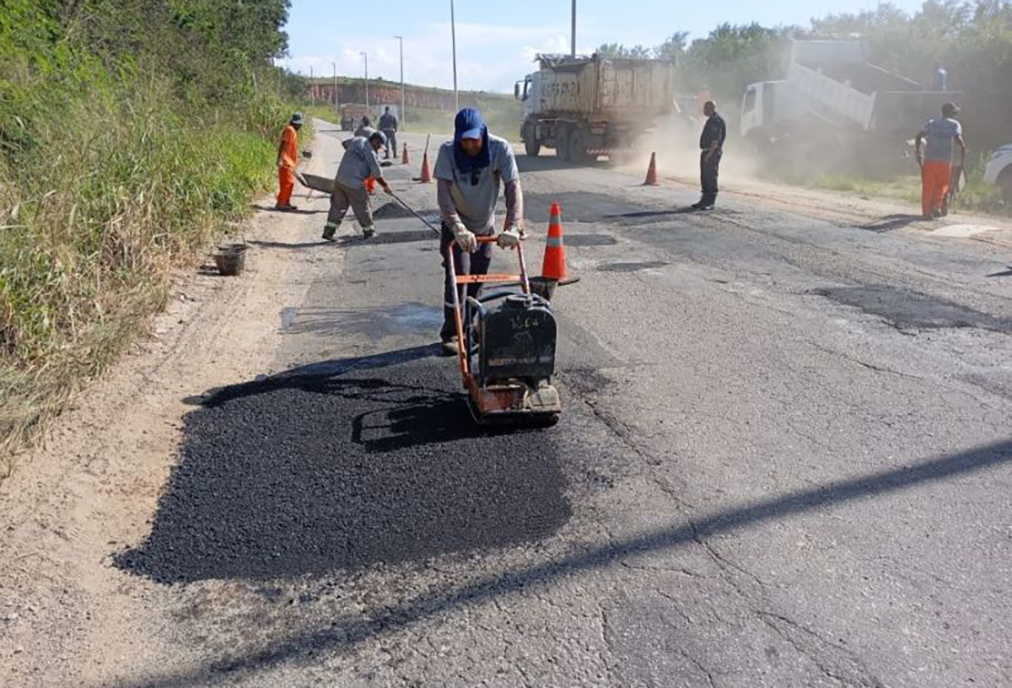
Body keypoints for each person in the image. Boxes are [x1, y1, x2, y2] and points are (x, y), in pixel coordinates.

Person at [435, 108, 524, 354]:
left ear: (482, 133)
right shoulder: (447, 151)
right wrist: (458, 228)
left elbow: (513, 188)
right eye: (464, 139)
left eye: (474, 138)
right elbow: (443, 195)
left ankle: (470, 327)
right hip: (456, 228)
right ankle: (452, 333)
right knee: (458, 277)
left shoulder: (500, 148)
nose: (469, 144)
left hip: (485, 226)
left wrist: (514, 226)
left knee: (478, 279)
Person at [323, 130, 391, 241]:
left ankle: (328, 232)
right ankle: (369, 232)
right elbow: (377, 174)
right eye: (379, 146)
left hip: (340, 179)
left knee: (337, 206)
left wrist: (353, 158)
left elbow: (345, 144)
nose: (378, 148)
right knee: (362, 206)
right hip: (354, 183)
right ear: (375, 141)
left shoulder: (358, 140)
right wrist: (385, 186)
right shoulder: (371, 153)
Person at [915, 102, 966, 219]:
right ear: (951, 113)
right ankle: (935, 206)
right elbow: (958, 139)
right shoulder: (955, 124)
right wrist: (963, 150)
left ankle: (926, 212)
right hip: (944, 160)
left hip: (929, 159)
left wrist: (918, 152)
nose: (955, 115)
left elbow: (918, 136)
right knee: (942, 184)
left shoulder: (932, 123)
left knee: (928, 186)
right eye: (954, 113)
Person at [691, 101, 726, 210]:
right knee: (705, 177)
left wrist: (709, 155)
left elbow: (715, 140)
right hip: (707, 151)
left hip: (712, 152)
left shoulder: (715, 121)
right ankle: (704, 200)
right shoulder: (711, 120)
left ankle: (710, 201)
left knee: (710, 177)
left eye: (706, 108)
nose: (704, 110)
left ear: (711, 108)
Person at [275, 112, 303, 211]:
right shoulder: (289, 130)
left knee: (288, 183)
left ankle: (285, 202)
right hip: (285, 162)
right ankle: (281, 203)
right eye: (299, 124)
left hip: (290, 162)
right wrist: (280, 159)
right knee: (288, 183)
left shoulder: (293, 131)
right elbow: (283, 144)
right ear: (295, 123)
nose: (300, 126)